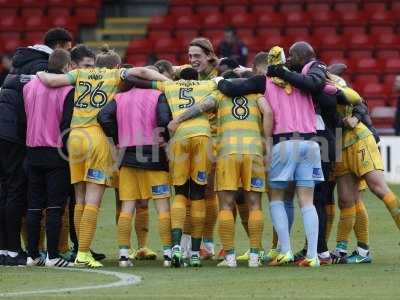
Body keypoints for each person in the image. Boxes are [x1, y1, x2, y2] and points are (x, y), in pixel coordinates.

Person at [36, 45, 169, 268]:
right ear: (116, 65)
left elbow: (50, 81)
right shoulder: (114, 75)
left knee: (78, 199)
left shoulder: (79, 73)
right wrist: (167, 82)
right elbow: (144, 73)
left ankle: (79, 250)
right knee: (92, 201)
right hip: (95, 139)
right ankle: (84, 253)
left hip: (74, 137)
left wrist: (39, 72)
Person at [168, 70, 272, 268]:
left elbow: (200, 107)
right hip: (254, 151)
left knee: (226, 204)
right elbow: (268, 112)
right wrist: (266, 141)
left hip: (227, 152)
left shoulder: (219, 95)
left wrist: (178, 119)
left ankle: (230, 257)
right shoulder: (257, 96)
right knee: (255, 204)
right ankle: (255, 257)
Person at [0, 27, 73, 266]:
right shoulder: (59, 85)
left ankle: (27, 253)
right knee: (51, 204)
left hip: (27, 145)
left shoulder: (24, 73)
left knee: (28, 201)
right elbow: (64, 123)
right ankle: (49, 255)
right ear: (62, 48)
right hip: (47, 148)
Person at [98, 77, 172, 268]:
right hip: (154, 154)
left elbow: (103, 117)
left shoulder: (119, 98)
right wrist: (164, 137)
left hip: (128, 154)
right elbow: (164, 119)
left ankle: (123, 256)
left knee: (127, 207)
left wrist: (116, 137)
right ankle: (168, 255)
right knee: (162, 206)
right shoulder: (158, 95)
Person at [24, 49, 74, 268]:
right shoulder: (67, 89)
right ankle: (53, 255)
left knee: (34, 205)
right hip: (55, 151)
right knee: (55, 206)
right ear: (66, 67)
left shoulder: (29, 86)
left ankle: (33, 254)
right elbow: (67, 126)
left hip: (32, 150)